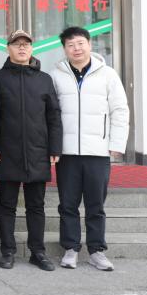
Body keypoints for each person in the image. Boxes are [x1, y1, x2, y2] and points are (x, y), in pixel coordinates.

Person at [51, 26, 129, 271]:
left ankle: (97, 250)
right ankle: (71, 249)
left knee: (96, 204)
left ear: (89, 44)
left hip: (98, 151)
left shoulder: (108, 74)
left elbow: (120, 110)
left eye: (80, 43)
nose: (76, 48)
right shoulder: (56, 75)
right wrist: (53, 147)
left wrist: (116, 144)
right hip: (67, 153)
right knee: (68, 204)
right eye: (71, 45)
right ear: (65, 48)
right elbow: (50, 115)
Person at [0, 30, 62, 271]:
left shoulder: (44, 79)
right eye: (16, 44)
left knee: (36, 205)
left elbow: (53, 116)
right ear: (8, 48)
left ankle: (37, 252)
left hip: (38, 151)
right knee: (6, 205)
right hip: (7, 152)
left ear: (32, 48)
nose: (22, 48)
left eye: (26, 44)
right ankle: (7, 251)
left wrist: (55, 147)